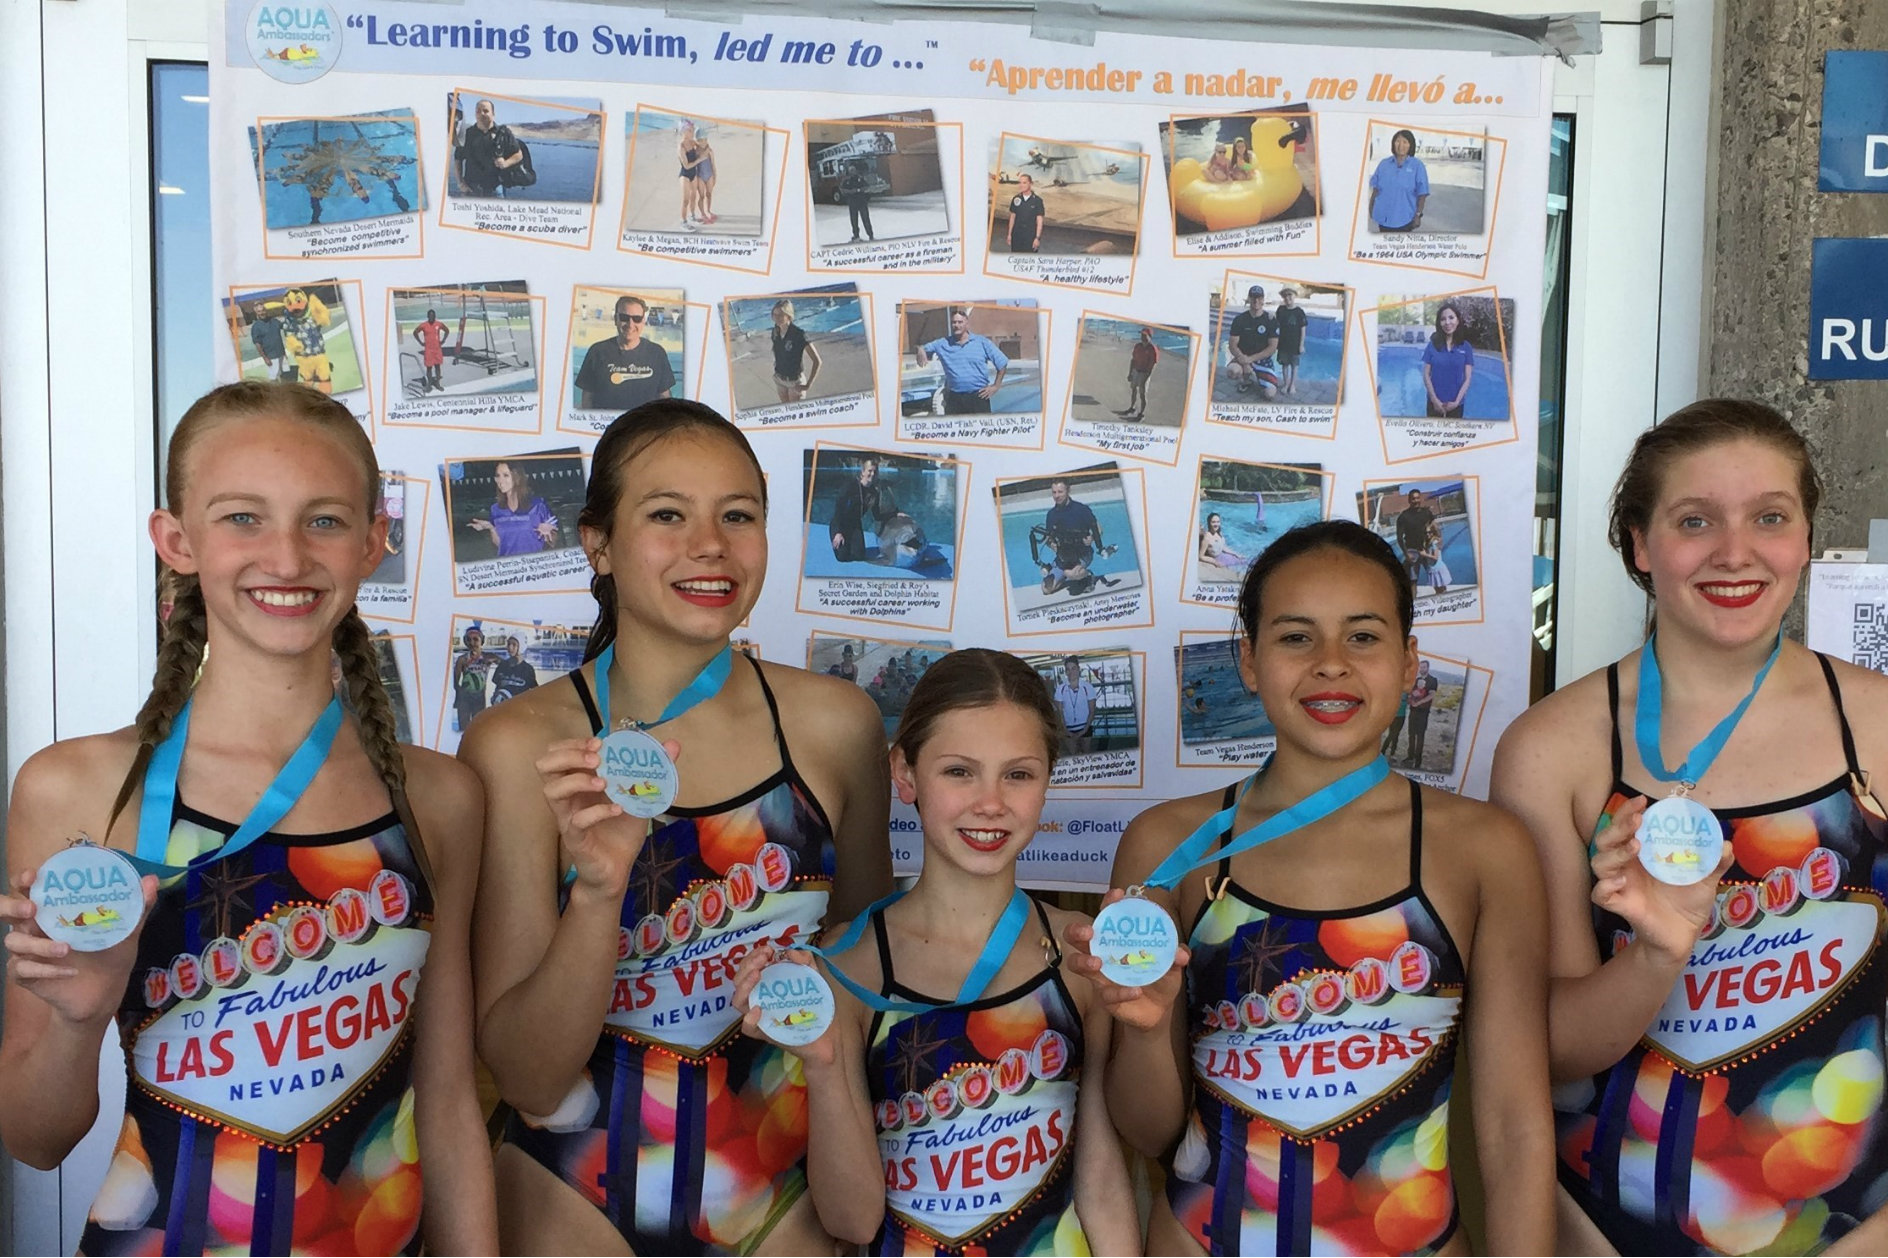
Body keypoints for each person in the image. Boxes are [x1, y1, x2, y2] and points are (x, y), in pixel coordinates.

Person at [0, 381, 495, 1253]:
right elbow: (35, 1141)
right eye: (243, 518)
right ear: (177, 541)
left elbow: (448, 1102)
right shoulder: (78, 790)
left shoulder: (440, 798)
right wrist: (80, 1020)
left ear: (373, 542)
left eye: (324, 520)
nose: (287, 556)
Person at [461, 398, 894, 1255]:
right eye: (667, 515)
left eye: (738, 516)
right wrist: (598, 896)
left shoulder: (837, 726)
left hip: (789, 1185)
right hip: (573, 1188)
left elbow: (872, 980)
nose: (710, 545)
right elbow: (528, 1077)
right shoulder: (520, 748)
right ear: (598, 544)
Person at [1069, 519, 1554, 1256]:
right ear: (1250, 661)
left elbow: (1515, 1127)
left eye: (1363, 636)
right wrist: (1143, 1029)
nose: (1331, 664)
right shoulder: (1168, 846)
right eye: (1296, 637)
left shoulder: (1484, 848)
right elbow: (1149, 1132)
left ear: (1409, 661)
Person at [1491, 398, 1888, 1256]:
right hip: (1610, 1231)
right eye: (1695, 520)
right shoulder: (1554, 751)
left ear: (1805, 538)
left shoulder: (1879, 728)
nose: (1735, 552)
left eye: (1770, 518)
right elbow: (1550, 1049)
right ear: (1640, 544)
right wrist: (1655, 955)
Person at [730, 649, 1140, 1254]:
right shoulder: (846, 965)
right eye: (959, 772)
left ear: (1048, 780)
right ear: (905, 773)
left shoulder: (1079, 955)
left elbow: (1102, 1185)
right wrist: (822, 1062)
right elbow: (853, 1222)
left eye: (1018, 775)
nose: (990, 802)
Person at [575, 295, 677, 412]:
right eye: (624, 317)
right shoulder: (597, 352)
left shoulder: (657, 353)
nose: (630, 324)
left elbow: (665, 397)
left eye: (637, 318)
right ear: (616, 319)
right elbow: (587, 399)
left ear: (643, 321)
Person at [915, 308, 1008, 415]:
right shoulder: (943, 344)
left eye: (960, 322)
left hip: (978, 397)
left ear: (966, 323)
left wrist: (996, 386)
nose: (956, 325)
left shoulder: (982, 342)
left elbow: (1002, 363)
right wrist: (920, 349)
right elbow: (921, 347)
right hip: (954, 399)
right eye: (954, 322)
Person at [1038, 477, 1113, 596]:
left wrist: (1092, 538)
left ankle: (1087, 575)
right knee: (1046, 589)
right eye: (1054, 492)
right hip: (1062, 558)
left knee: (1071, 574)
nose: (1057, 496)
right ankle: (1066, 574)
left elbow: (1099, 529)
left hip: (1082, 555)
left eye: (1060, 492)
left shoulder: (1081, 510)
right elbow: (1048, 538)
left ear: (1068, 490)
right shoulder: (1051, 515)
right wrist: (1051, 545)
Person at [467, 459, 558, 557]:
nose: (500, 480)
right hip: (509, 564)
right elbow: (500, 545)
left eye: (506, 475)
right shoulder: (496, 509)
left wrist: (550, 533)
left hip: (534, 563)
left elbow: (554, 543)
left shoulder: (538, 505)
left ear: (517, 477)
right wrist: (491, 528)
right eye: (498, 476)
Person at [828, 456, 899, 564]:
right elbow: (838, 510)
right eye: (870, 471)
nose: (872, 474)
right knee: (842, 557)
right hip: (840, 524)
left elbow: (877, 515)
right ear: (863, 472)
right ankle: (837, 538)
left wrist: (895, 514)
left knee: (859, 556)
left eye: (875, 471)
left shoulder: (874, 492)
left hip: (855, 525)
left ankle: (850, 542)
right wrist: (837, 532)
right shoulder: (850, 486)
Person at [455, 97, 526, 198]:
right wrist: (460, 183)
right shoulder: (467, 134)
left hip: (496, 188)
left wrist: (506, 163)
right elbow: (458, 159)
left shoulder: (503, 133)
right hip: (471, 188)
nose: (482, 114)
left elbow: (518, 155)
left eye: (486, 111)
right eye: (478, 111)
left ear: (493, 114)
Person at [1225, 284, 1281, 399]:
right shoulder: (1240, 320)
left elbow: (1272, 348)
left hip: (1263, 360)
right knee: (1232, 371)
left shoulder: (1270, 320)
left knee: (1270, 394)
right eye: (1253, 297)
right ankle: (1246, 380)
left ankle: (1260, 379)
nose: (1256, 301)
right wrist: (1245, 362)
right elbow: (1232, 345)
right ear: (1249, 299)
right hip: (1243, 357)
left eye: (1259, 298)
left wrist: (1250, 359)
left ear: (1263, 300)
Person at [1369, 127, 1429, 232]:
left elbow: (1422, 193)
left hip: (1405, 220)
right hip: (1383, 219)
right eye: (1397, 141)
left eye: (1405, 142)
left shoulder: (1417, 166)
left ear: (1411, 145)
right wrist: (1371, 207)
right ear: (1393, 144)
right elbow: (1376, 189)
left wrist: (1418, 214)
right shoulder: (1384, 164)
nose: (1401, 145)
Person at [1421, 302, 1474, 419]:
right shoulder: (1432, 345)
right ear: (1439, 323)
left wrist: (1456, 402)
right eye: (1443, 319)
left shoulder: (1466, 347)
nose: (1447, 322)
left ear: (1458, 320)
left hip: (1457, 405)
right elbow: (1426, 374)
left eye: (1451, 317)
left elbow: (1467, 378)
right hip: (1434, 404)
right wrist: (1434, 400)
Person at [277, 288, 333, 395]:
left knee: (324, 374)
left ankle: (325, 385)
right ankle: (308, 385)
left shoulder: (312, 316)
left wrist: (319, 308)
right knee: (307, 377)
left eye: (298, 301)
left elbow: (324, 320)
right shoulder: (289, 322)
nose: (295, 307)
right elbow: (289, 336)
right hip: (303, 357)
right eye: (290, 303)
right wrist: (294, 344)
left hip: (318, 353)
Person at [770, 299, 823, 403]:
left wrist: (808, 385)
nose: (776, 318)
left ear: (788, 316)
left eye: (780, 315)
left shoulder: (799, 335)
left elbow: (817, 361)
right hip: (779, 380)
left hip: (794, 382)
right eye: (774, 315)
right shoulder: (775, 331)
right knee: (785, 409)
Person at [1056, 655, 1102, 755]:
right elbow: (1060, 713)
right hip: (1068, 729)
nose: (1071, 672)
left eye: (1073, 668)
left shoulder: (1088, 687)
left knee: (1086, 755)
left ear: (1078, 669)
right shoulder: (1060, 689)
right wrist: (1065, 730)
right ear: (1065, 672)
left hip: (1085, 727)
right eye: (1068, 669)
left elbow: (1092, 711)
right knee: (1073, 756)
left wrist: (1084, 730)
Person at [1394, 487, 1436, 586]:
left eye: (1417, 498)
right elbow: (1399, 538)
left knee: (1435, 577)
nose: (1416, 501)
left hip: (1426, 550)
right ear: (1409, 500)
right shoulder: (1403, 517)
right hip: (1412, 551)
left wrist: (1437, 544)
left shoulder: (1427, 512)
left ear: (1420, 499)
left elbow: (1435, 528)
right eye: (1413, 499)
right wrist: (1406, 554)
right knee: (1413, 582)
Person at [453, 626, 491, 733]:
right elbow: (455, 682)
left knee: (479, 729)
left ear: (482, 640)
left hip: (479, 697)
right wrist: (460, 695)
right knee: (463, 729)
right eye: (469, 640)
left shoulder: (487, 657)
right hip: (464, 698)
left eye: (475, 639)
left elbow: (506, 665)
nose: (472, 643)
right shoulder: (462, 659)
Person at [1275, 285, 1308, 396]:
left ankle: (1292, 385)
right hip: (1283, 343)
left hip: (1295, 344)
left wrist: (1301, 345)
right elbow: (1276, 323)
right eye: (1285, 295)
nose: (1287, 297)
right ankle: (1286, 384)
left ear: (1294, 296)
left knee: (1294, 365)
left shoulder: (1299, 312)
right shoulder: (1281, 310)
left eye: (1290, 294)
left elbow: (1303, 329)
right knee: (1284, 365)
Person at [1122, 326, 1161, 421]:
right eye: (1142, 335)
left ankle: (1141, 413)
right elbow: (1133, 360)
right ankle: (1132, 407)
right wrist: (1130, 373)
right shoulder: (1138, 346)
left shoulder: (1152, 349)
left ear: (1149, 336)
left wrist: (1147, 376)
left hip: (1145, 373)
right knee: (1133, 389)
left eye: (1145, 335)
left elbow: (1153, 364)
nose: (1142, 337)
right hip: (1136, 371)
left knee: (1142, 394)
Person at [1402, 660, 1436, 768]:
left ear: (1428, 668)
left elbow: (1431, 695)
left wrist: (1419, 703)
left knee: (1420, 736)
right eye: (1420, 667)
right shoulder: (1416, 680)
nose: (1422, 669)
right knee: (1411, 734)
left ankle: (1418, 761)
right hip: (1413, 711)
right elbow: (1411, 693)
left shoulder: (1433, 680)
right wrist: (1410, 700)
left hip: (1423, 713)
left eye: (1424, 667)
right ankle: (1410, 756)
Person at [247, 301, 290, 381]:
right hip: (271, 356)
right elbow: (257, 344)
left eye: (263, 310)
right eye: (259, 311)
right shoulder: (256, 327)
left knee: (285, 374)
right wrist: (265, 358)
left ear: (266, 310)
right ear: (256, 312)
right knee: (274, 378)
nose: (262, 313)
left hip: (281, 353)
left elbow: (285, 326)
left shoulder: (274, 321)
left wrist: (289, 315)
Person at [676, 120, 707, 229]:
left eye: (692, 130)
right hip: (685, 175)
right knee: (686, 199)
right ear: (683, 132)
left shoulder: (692, 142)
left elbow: (702, 146)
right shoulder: (681, 147)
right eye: (690, 130)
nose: (692, 132)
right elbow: (686, 166)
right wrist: (699, 160)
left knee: (694, 196)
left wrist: (703, 138)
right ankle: (683, 221)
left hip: (694, 173)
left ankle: (692, 216)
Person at [490, 635, 539, 703]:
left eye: (514, 645)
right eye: (508, 644)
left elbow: (534, 691)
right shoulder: (502, 665)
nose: (510, 647)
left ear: (521, 646)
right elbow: (497, 686)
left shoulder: (528, 669)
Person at [1007, 171, 1046, 253]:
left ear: (1030, 184)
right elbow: (1012, 218)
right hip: (1016, 236)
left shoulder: (1037, 201)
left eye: (1024, 183)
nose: (1021, 185)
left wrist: (1037, 238)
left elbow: (1040, 221)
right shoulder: (1016, 199)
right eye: (1020, 183)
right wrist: (1009, 234)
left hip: (1030, 237)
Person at [413, 307, 447, 394]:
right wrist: (420, 342)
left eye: (433, 315)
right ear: (428, 316)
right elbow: (415, 332)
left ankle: (438, 384)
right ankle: (429, 385)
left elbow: (447, 330)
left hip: (437, 349)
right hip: (428, 350)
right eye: (430, 316)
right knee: (429, 367)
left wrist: (443, 340)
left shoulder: (439, 324)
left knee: (437, 367)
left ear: (435, 316)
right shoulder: (424, 325)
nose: (432, 317)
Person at [840, 162, 875, 242]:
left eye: (853, 170)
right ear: (849, 171)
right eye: (851, 170)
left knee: (866, 219)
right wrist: (850, 191)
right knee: (854, 220)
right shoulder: (846, 180)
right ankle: (856, 236)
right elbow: (842, 190)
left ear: (856, 170)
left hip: (862, 202)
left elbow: (866, 186)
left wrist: (859, 190)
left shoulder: (860, 178)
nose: (852, 171)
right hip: (852, 203)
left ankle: (871, 235)